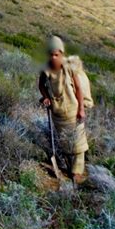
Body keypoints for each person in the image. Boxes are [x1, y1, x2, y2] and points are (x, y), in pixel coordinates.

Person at [38, 35, 89, 185]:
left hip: (73, 109)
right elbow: (41, 86)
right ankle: (68, 163)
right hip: (58, 111)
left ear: (61, 54)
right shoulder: (46, 70)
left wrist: (81, 109)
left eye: (57, 55)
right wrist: (46, 97)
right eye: (51, 55)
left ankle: (77, 171)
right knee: (65, 140)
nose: (54, 58)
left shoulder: (69, 68)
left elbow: (78, 88)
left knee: (78, 140)